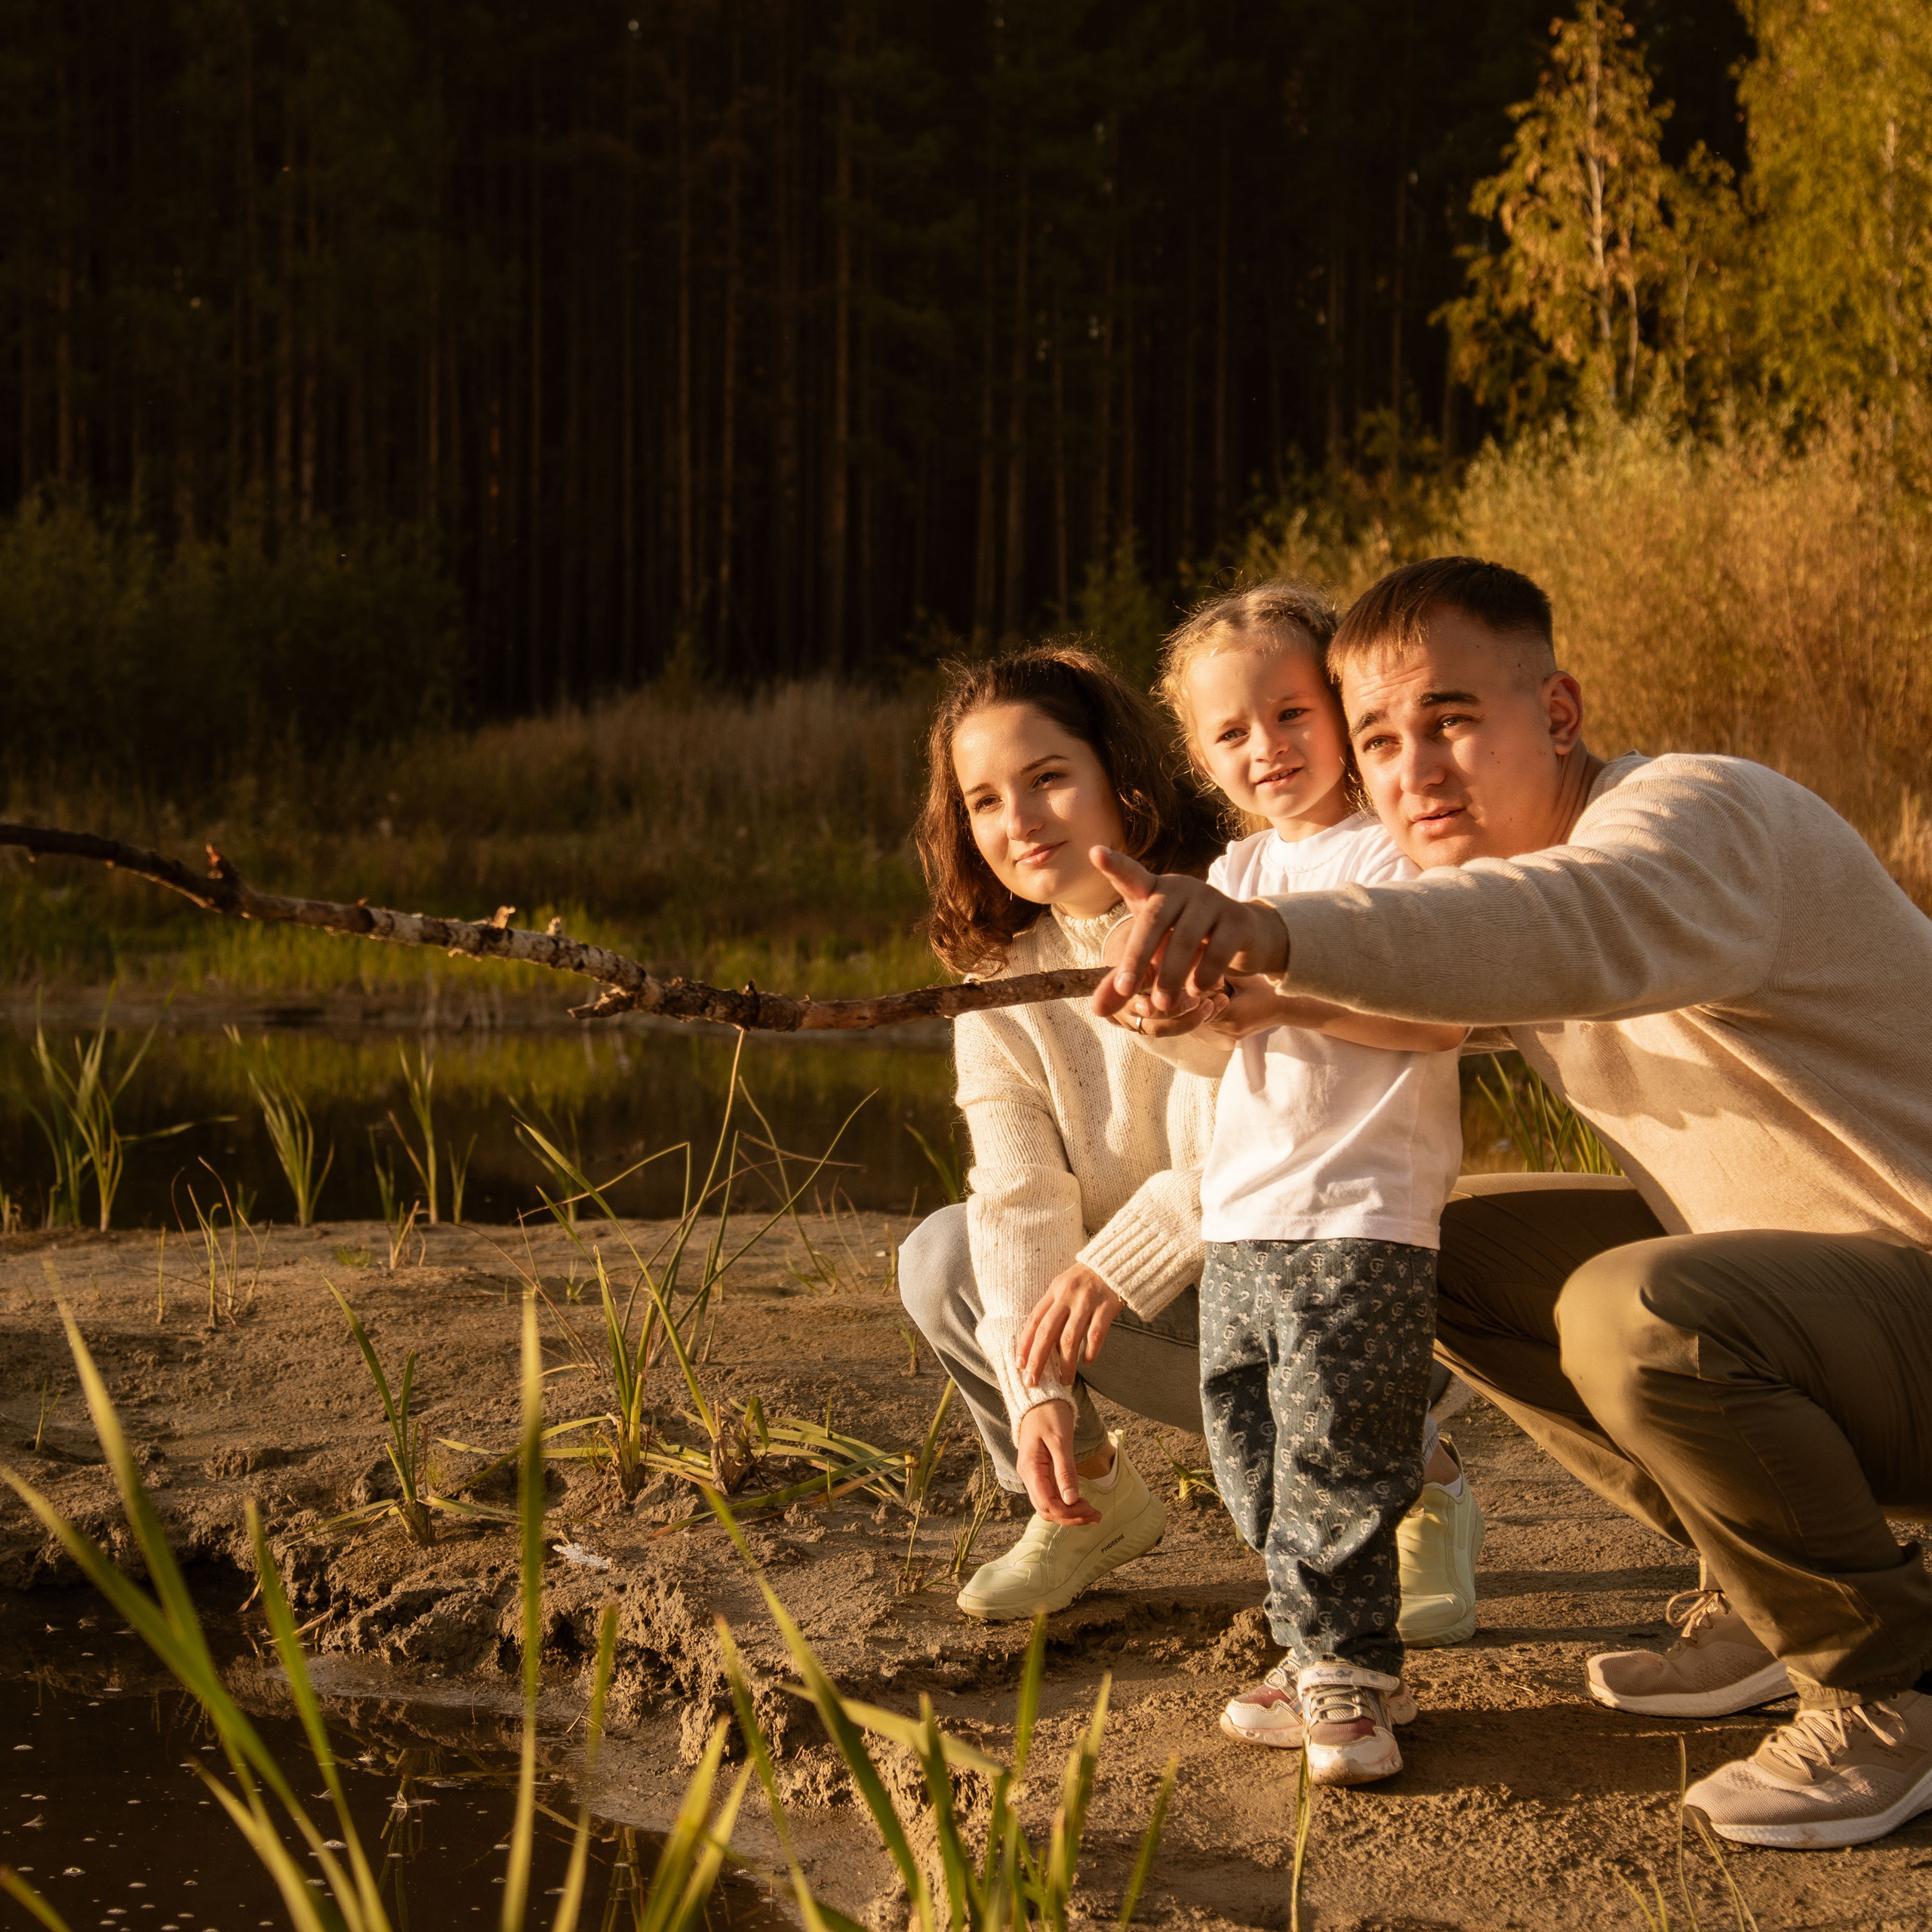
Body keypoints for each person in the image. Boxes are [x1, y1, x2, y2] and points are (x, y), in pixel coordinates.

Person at [1091, 554, 1932, 1848]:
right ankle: (1767, 1590)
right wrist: (1199, 1003)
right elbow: (1375, 1007)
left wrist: (1277, 934)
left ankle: (1886, 1684)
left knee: (1633, 1308)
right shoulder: (1505, 890)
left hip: (1911, 1289)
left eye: (1451, 721)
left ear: (1558, 713)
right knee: (1446, 1250)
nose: (1412, 771)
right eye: (1377, 739)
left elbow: (1573, 922)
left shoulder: (1697, 818)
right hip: (1848, 1317)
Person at [1118, 581, 1476, 1786]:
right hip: (1246, 1210)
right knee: (1249, 1446)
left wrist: (1289, 995)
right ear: (1198, 753)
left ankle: (1353, 1680)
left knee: (1335, 1451)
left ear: (1339, 707)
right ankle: (1305, 1644)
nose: (1265, 749)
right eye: (1231, 732)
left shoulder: (1393, 846)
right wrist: (1182, 1013)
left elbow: (1440, 1019)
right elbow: (1233, 1045)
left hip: (1363, 1211)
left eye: (1290, 713)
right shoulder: (1237, 862)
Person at [897, 644, 1225, 1621]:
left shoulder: (1230, 905)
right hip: (1166, 1306)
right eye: (985, 800)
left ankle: (1423, 1485)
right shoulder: (1000, 983)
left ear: (1118, 775)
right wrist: (1034, 1386)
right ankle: (1084, 1503)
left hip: (1307, 1287)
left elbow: (1260, 1157)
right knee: (947, 1254)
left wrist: (1115, 1265)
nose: (1020, 821)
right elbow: (1017, 1193)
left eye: (1048, 779)